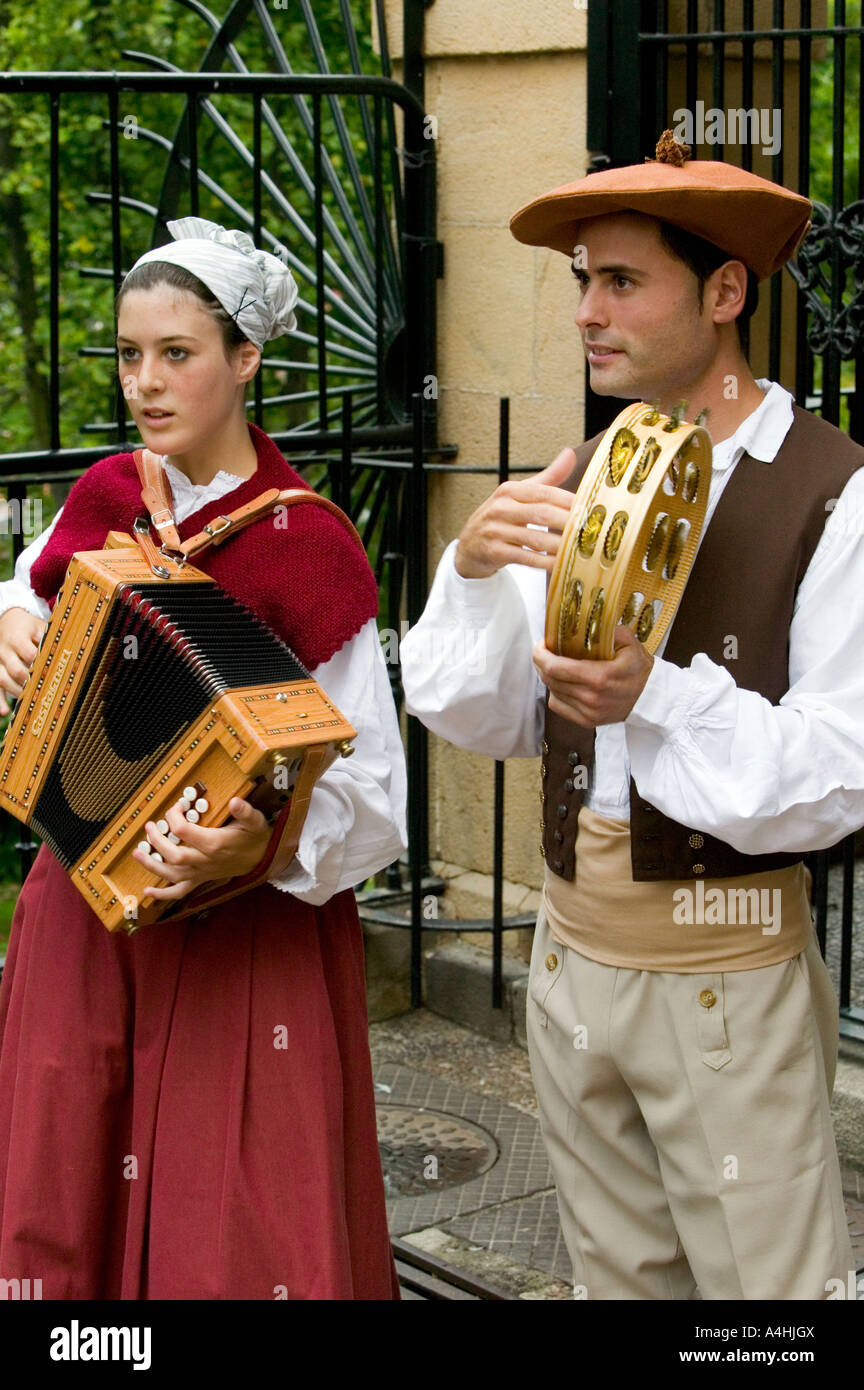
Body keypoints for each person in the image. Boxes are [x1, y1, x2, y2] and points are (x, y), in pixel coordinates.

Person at [401, 134, 863, 1300]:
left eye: (620, 281)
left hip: (728, 976)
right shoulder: (595, 468)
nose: (586, 313)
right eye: (579, 281)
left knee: (770, 1303)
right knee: (620, 1284)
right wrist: (467, 570)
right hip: (569, 963)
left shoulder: (834, 490)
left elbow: (840, 773)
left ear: (723, 292)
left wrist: (652, 694)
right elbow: (493, 715)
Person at [0, 218, 406, 1300]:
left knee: (225, 1228)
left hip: (243, 942)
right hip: (81, 915)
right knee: (59, 1177)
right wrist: (2, 617)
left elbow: (375, 799)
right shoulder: (104, 500)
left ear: (246, 361)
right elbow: (31, 598)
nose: (146, 381)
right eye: (130, 355)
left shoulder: (304, 543)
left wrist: (255, 842)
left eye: (177, 353)